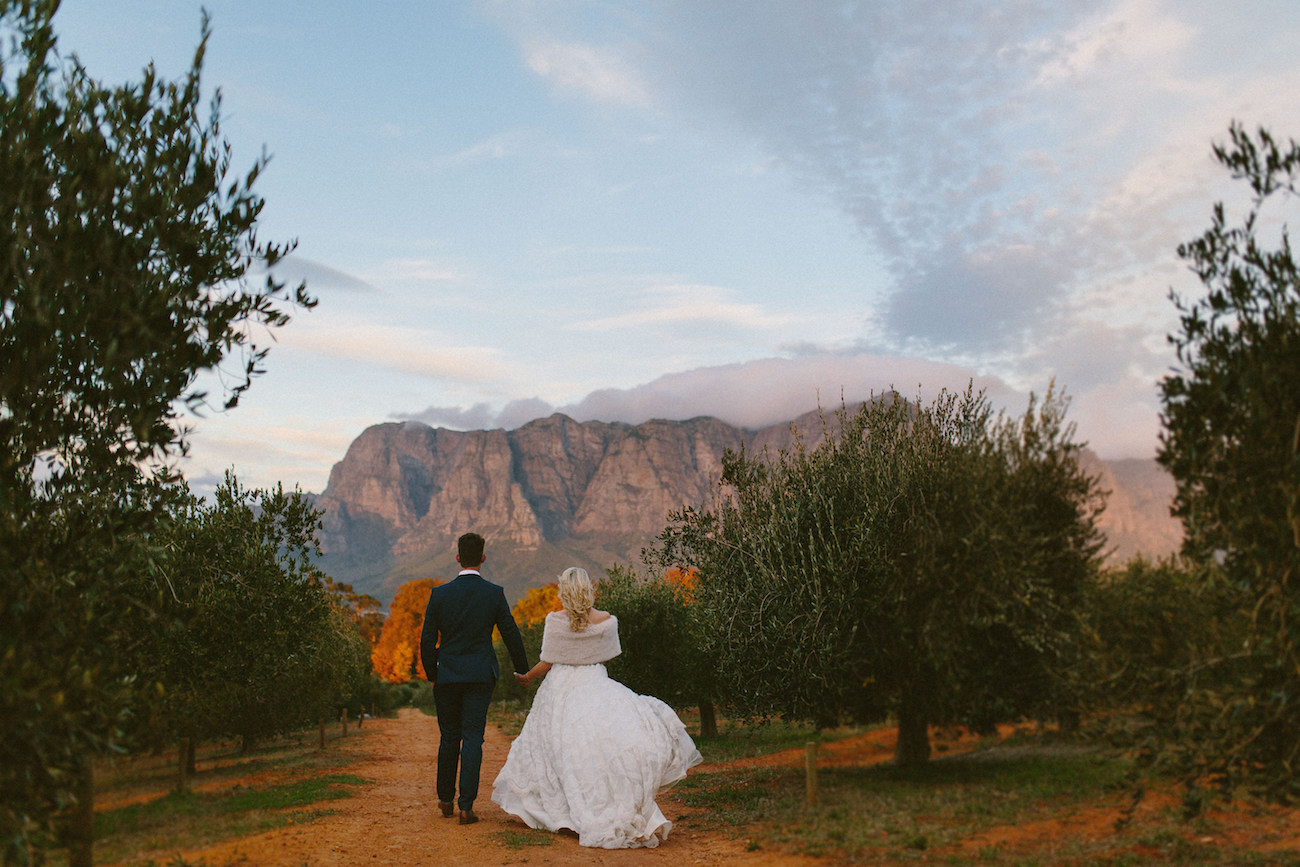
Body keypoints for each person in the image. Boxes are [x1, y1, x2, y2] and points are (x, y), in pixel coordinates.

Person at [491, 567, 702, 849]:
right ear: (589, 589)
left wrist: (528, 677)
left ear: (564, 591)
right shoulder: (606, 621)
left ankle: (562, 810)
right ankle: (604, 803)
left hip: (560, 688)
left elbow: (549, 660)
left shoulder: (554, 620)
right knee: (594, 749)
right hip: (594, 682)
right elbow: (609, 653)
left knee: (557, 751)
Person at [420, 532, 529, 825]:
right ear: (482, 558)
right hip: (481, 675)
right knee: (472, 739)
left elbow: (427, 640)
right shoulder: (493, 594)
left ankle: (445, 800)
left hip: (447, 675)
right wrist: (522, 669)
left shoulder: (439, 594)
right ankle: (466, 806)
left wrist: (433, 674)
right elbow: (510, 633)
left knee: (448, 737)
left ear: (457, 557)